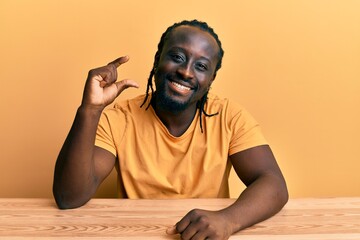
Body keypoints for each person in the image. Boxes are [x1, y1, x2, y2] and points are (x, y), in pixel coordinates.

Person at [53, 19, 288, 239]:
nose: (186, 71)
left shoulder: (229, 117)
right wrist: (90, 110)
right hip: (138, 233)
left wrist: (227, 220)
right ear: (157, 60)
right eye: (177, 57)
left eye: (201, 66)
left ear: (211, 79)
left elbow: (273, 183)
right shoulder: (119, 118)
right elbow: (69, 197)